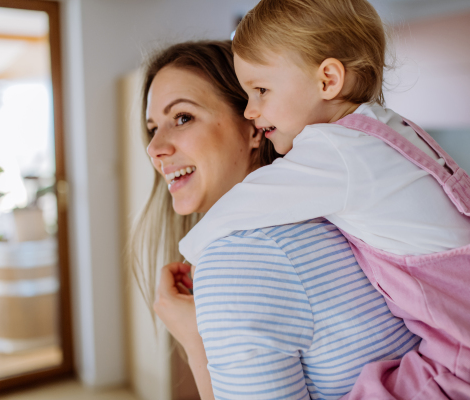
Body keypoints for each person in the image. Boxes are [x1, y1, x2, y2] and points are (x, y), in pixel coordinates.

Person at [178, 0, 470, 399]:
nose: (251, 111)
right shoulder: (385, 128)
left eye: (260, 91)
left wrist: (194, 257)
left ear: (327, 79)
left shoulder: (336, 148)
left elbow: (248, 202)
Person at [133, 40, 420, 400]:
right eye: (152, 128)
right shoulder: (334, 217)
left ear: (253, 125)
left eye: (183, 117)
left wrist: (195, 340)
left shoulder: (235, 260)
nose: (154, 148)